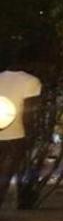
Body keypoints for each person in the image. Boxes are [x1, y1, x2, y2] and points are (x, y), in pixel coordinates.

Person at [0, 68, 42, 209]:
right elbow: (29, 112)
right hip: (15, 135)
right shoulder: (30, 81)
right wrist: (31, 135)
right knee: (4, 177)